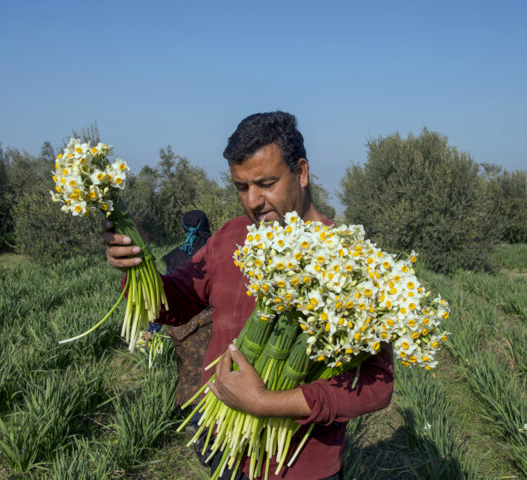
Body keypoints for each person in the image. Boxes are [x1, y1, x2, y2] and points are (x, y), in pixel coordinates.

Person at [103, 111, 394, 480]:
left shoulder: (349, 264)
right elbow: (171, 305)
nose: (253, 201)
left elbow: (377, 386)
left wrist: (265, 404)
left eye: (266, 183)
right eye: (242, 187)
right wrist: (136, 266)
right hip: (221, 447)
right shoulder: (231, 237)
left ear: (301, 172)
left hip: (298, 466)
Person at [160, 210, 214, 406]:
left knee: (190, 371)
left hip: (183, 326)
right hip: (214, 322)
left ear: (184, 228)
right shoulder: (219, 249)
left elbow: (167, 295)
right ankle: (215, 421)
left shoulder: (176, 256)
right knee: (217, 369)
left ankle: (195, 419)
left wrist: (152, 328)